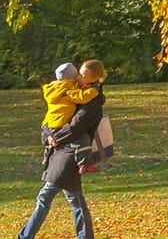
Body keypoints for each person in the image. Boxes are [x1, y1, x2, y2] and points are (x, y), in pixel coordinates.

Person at [16, 59, 105, 239]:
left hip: (71, 153)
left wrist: (55, 137)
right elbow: (52, 118)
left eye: (83, 74)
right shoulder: (74, 91)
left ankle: (25, 237)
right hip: (61, 151)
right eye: (79, 73)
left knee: (46, 196)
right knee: (75, 199)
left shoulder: (92, 99)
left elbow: (76, 126)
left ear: (95, 78)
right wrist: (48, 135)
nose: (79, 77)